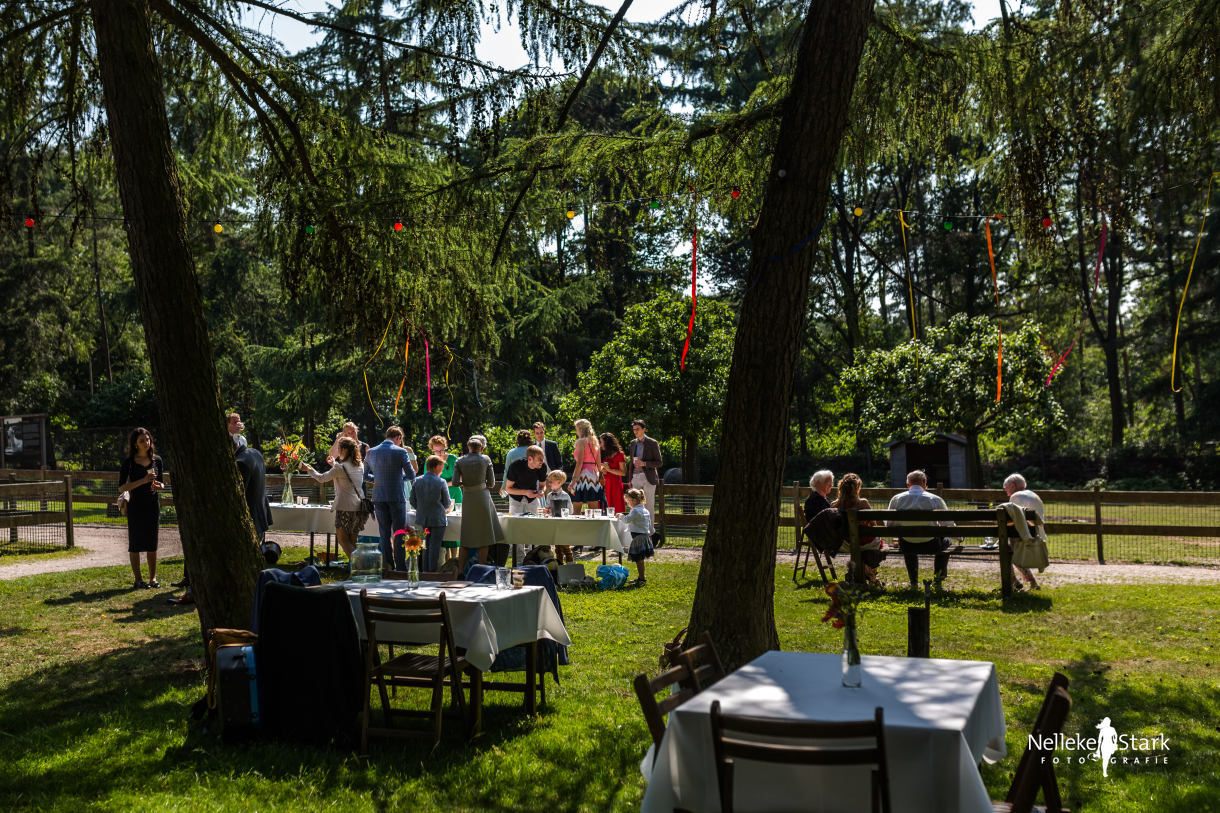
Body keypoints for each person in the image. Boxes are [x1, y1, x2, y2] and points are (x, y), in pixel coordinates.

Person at [299, 436, 366, 560]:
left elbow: (321, 478)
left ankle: (361, 566)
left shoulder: (340, 468)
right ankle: (356, 574)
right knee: (352, 541)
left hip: (345, 507)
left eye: (339, 449)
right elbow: (344, 472)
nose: (337, 452)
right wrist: (334, 464)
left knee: (343, 540)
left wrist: (308, 469)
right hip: (359, 507)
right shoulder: (359, 465)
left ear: (344, 450)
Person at [887, 470, 955, 590]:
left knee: (906, 539)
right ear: (924, 482)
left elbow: (890, 524)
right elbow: (947, 524)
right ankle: (938, 581)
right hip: (931, 544)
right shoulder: (935, 499)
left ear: (908, 485)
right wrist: (960, 537)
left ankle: (913, 582)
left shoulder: (897, 499)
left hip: (907, 545)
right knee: (947, 542)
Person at [118, 427, 165, 589]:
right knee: (136, 543)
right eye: (141, 441)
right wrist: (143, 481)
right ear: (135, 444)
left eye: (148, 440)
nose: (146, 443)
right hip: (136, 505)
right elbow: (122, 487)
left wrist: (159, 486)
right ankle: (138, 580)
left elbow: (162, 482)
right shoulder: (129, 462)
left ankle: (153, 578)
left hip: (152, 504)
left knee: (152, 542)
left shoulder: (157, 460)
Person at [366, 425, 417, 570]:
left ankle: (388, 565)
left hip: (378, 496)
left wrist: (377, 479)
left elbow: (364, 476)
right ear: (398, 438)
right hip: (396, 497)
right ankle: (400, 567)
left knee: (384, 532)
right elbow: (412, 475)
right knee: (399, 532)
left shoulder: (370, 452)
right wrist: (399, 479)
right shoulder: (401, 452)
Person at [453, 435, 506, 569]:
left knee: (465, 537)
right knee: (484, 538)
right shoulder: (486, 459)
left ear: (468, 448)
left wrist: (466, 483)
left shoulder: (459, 461)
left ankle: (460, 572)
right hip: (482, 497)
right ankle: (481, 571)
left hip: (468, 497)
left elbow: (454, 483)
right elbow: (492, 483)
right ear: (481, 448)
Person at [831, 473, 884, 585]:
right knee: (873, 542)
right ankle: (871, 576)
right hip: (867, 542)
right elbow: (874, 525)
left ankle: (862, 574)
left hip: (846, 543)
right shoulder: (862, 503)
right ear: (857, 488)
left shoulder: (834, 505)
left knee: (857, 544)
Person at [409, 455, 453, 572]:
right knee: (434, 546)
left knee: (427, 545)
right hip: (438, 518)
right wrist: (441, 509)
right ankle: (432, 573)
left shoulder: (418, 481)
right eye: (442, 468)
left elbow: (412, 500)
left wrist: (421, 508)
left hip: (423, 518)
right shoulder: (441, 482)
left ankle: (425, 571)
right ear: (437, 466)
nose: (442, 471)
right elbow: (447, 502)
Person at [1004, 473, 1045, 590]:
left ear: (1013, 486)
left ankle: (1013, 582)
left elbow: (1014, 521)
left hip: (1019, 536)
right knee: (1011, 548)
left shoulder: (1015, 497)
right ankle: (1030, 582)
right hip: (1034, 535)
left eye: (1006, 489)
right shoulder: (1035, 496)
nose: (1006, 493)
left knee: (1005, 548)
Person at [626, 419, 663, 537]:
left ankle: (650, 535)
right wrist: (630, 479)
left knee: (648, 507)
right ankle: (635, 535)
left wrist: (645, 464)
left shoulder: (652, 443)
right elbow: (631, 463)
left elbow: (659, 462)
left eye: (637, 429)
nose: (635, 431)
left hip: (648, 478)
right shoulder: (633, 443)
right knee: (634, 505)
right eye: (634, 429)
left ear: (644, 429)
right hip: (635, 477)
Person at [570, 419, 602, 513]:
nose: (576, 432)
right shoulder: (595, 442)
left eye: (576, 429)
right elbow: (599, 465)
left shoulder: (581, 441)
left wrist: (573, 480)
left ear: (581, 429)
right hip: (593, 476)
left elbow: (579, 463)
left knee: (576, 511)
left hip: (582, 476)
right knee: (594, 511)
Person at [623, 488, 654, 585]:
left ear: (634, 501)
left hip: (638, 538)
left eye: (628, 502)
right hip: (644, 537)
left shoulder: (635, 510)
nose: (627, 504)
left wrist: (620, 516)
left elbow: (626, 520)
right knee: (640, 560)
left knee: (639, 560)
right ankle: (641, 577)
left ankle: (642, 579)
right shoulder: (645, 510)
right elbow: (648, 524)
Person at [505, 445, 547, 515]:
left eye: (543, 458)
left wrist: (541, 491)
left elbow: (543, 485)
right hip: (516, 497)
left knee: (537, 521)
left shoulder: (542, 467)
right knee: (515, 522)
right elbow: (508, 489)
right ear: (530, 458)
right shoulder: (515, 465)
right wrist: (525, 492)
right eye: (540, 459)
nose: (542, 461)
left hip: (533, 497)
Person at [543, 470, 574, 563]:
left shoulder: (565, 496)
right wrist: (547, 510)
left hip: (564, 525)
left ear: (559, 482)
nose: (549, 483)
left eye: (551, 481)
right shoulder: (549, 495)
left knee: (566, 548)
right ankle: (559, 568)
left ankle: (570, 567)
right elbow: (548, 509)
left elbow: (571, 510)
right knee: (557, 549)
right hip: (554, 525)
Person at [428, 435, 462, 506]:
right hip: (437, 493)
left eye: (441, 450)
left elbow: (460, 478)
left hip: (454, 492)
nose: (439, 453)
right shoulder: (429, 461)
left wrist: (444, 484)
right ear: (432, 449)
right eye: (436, 451)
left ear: (445, 448)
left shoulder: (453, 459)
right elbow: (428, 479)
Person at [599, 433, 627, 514]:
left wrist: (610, 470)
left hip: (615, 485)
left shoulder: (620, 455)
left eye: (601, 442)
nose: (600, 444)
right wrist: (602, 471)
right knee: (602, 509)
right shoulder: (602, 454)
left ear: (607, 443)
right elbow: (598, 468)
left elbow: (623, 472)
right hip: (604, 485)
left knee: (616, 511)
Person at [500, 430, 533, 498]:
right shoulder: (534, 452)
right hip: (532, 488)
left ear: (518, 440)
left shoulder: (511, 453)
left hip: (515, 489)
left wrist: (503, 487)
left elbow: (507, 471)